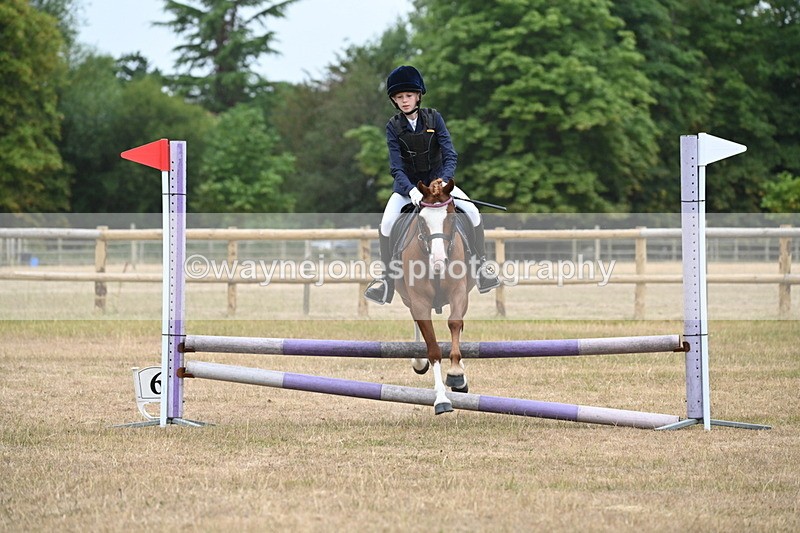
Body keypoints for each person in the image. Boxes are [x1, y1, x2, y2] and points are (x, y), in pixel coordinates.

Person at [364, 65, 500, 305]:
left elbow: (450, 154)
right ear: (394, 101)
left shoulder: (434, 118)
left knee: (473, 212)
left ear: (418, 96)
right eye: (399, 97)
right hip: (409, 190)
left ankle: (481, 268)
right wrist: (412, 190)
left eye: (408, 95)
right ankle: (386, 280)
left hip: (439, 185)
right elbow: (396, 167)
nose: (404, 101)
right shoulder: (393, 127)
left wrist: (445, 181)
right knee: (386, 223)